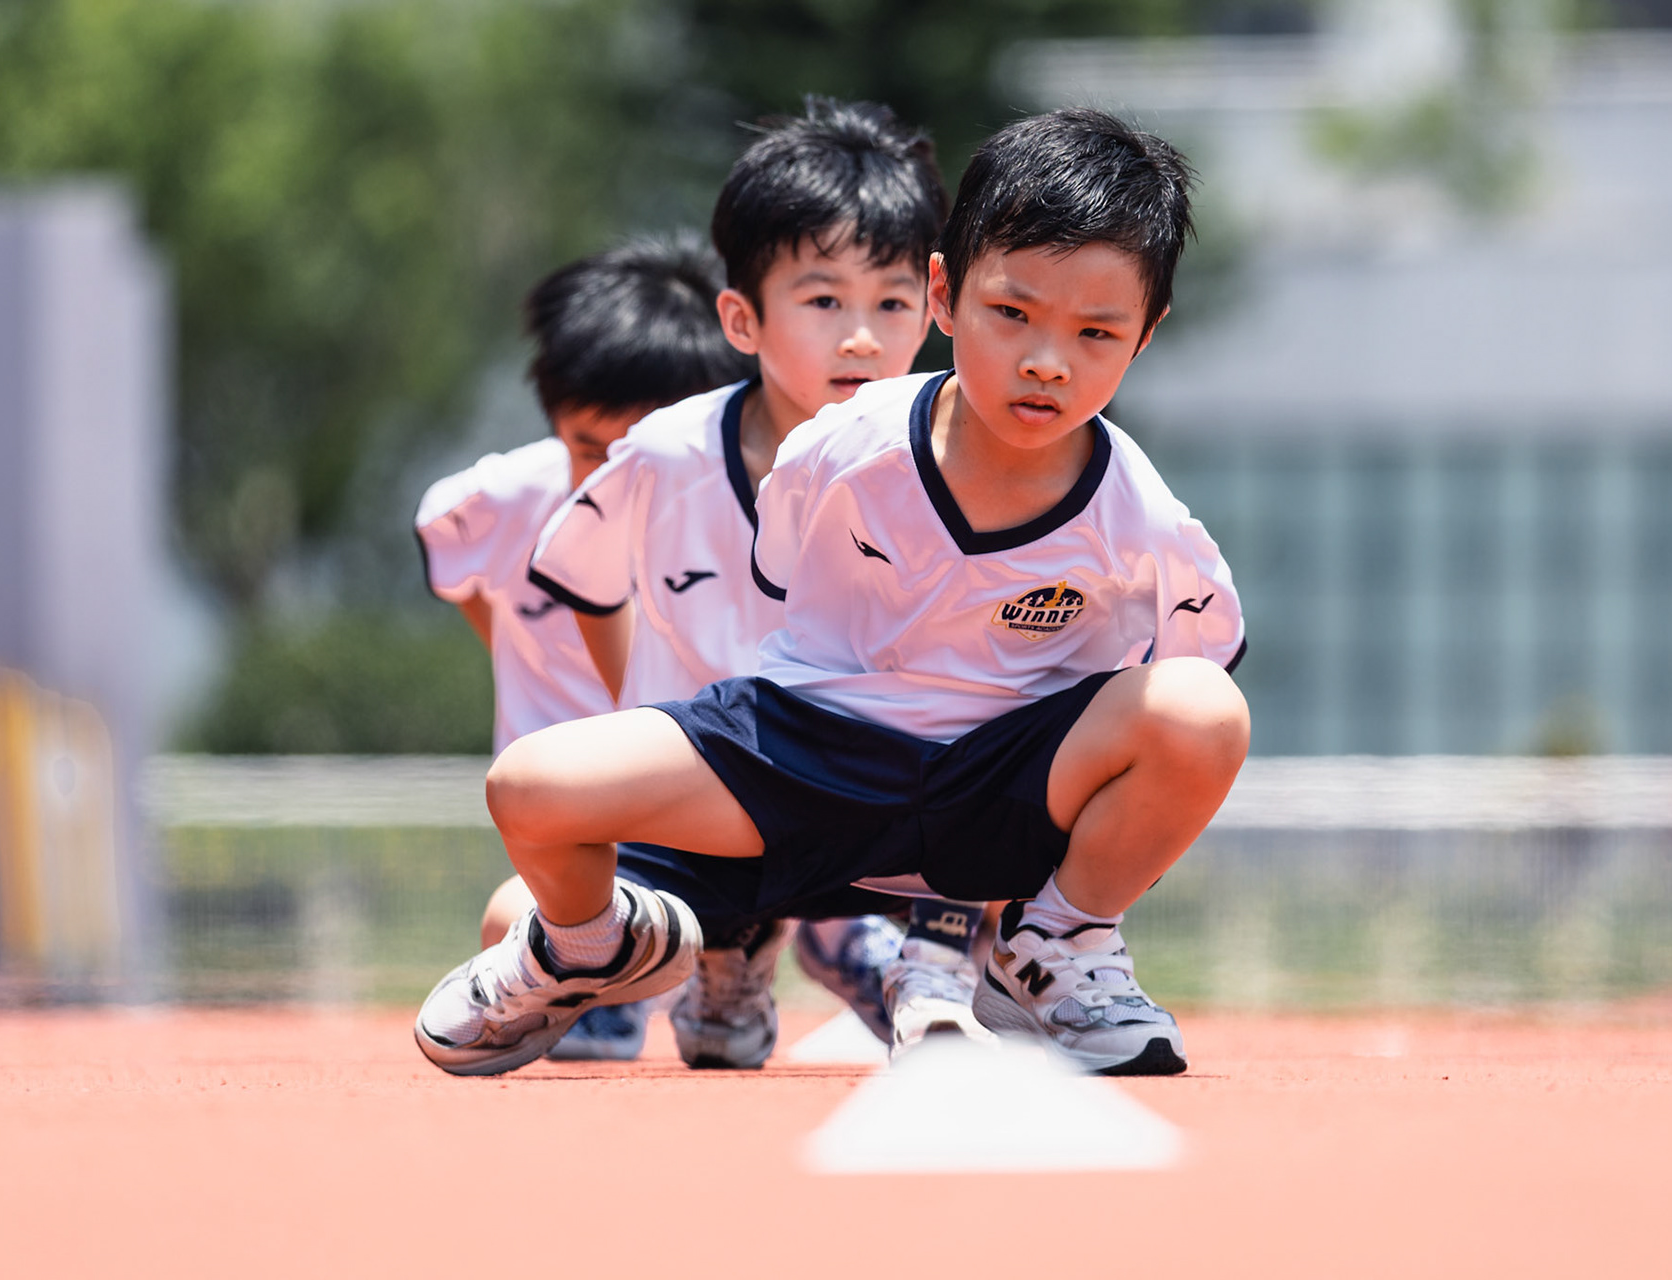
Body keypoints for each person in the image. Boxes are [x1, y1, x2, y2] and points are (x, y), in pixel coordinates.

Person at [417, 106, 1248, 1079]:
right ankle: (603, 945)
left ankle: (1049, 948)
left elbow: (1181, 699)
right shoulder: (837, 448)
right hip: (801, 765)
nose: (1046, 360)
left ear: (1145, 336)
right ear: (945, 295)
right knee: (530, 786)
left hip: (989, 799)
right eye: (1013, 313)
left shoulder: (1142, 516)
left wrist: (1064, 856)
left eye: (1096, 331)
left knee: (1203, 710)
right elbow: (767, 606)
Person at [516, 96, 988, 1070]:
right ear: (741, 317)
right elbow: (588, 584)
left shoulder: (968, 461)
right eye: (824, 302)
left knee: (1030, 758)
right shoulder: (665, 455)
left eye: (892, 303)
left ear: (936, 305)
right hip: (714, 798)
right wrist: (648, 717)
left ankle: (904, 955)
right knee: (508, 913)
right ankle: (724, 945)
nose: (861, 337)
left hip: (876, 798)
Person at [414, 235, 752, 1061]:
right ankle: (600, 973)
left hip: (712, 813)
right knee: (510, 918)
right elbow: (460, 576)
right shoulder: (488, 504)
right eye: (588, 449)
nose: (610, 481)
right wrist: (522, 662)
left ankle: (761, 951)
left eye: (638, 453)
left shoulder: (756, 512)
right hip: (578, 832)